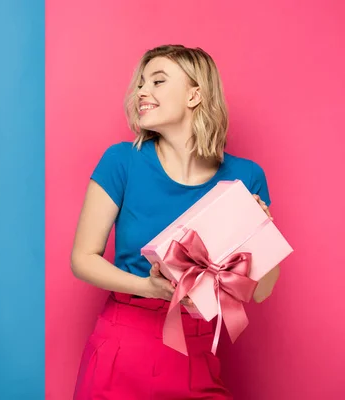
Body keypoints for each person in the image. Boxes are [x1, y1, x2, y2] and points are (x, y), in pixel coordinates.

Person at [71, 45, 280, 400]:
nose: (141, 91)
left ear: (194, 94)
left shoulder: (246, 177)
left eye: (158, 80)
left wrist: (263, 230)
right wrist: (151, 287)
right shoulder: (122, 161)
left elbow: (260, 291)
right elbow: (83, 259)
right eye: (140, 83)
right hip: (123, 345)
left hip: (198, 351)